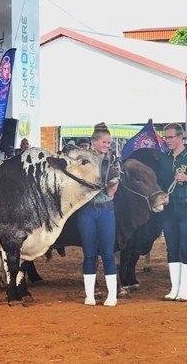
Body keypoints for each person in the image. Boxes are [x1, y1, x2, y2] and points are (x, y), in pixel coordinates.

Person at [157, 123, 187, 301]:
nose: (167, 141)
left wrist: (186, 178)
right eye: (166, 137)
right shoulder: (164, 158)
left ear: (180, 137)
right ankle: (174, 288)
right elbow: (161, 182)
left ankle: (184, 289)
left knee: (185, 245)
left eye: (170, 137)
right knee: (172, 247)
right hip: (170, 205)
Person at [78, 122, 120, 306]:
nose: (106, 145)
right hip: (86, 209)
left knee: (108, 253)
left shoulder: (113, 162)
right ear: (94, 142)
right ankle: (89, 295)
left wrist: (112, 180)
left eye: (108, 142)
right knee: (88, 254)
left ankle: (112, 295)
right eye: (103, 142)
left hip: (106, 209)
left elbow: (111, 192)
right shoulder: (83, 161)